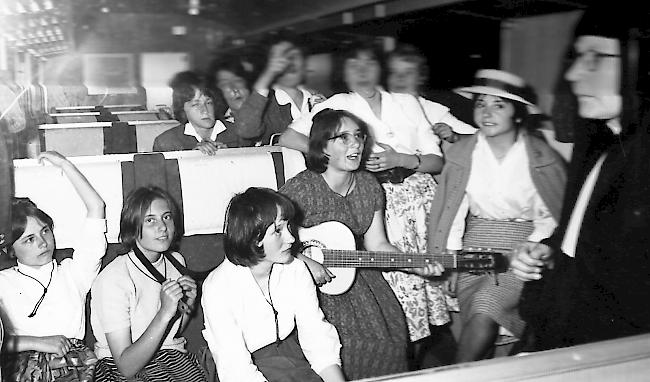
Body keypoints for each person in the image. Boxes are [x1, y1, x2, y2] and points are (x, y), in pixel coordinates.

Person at [280, 41, 452, 363]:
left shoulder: (369, 186)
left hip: (358, 274)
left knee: (393, 338)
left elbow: (378, 246)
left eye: (358, 136)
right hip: (309, 284)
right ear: (323, 146)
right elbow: (268, 242)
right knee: (353, 348)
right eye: (342, 138)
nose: (355, 145)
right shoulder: (300, 189)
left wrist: (417, 264)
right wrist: (306, 262)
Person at [510, 6, 650, 350]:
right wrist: (548, 252)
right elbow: (593, 244)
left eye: (596, 58)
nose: (573, 74)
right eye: (576, 56)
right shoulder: (602, 145)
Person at [427, 69, 567, 362]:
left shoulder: (541, 157)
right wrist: (451, 262)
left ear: (518, 114)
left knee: (484, 307)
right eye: (481, 103)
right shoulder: (463, 154)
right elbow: (453, 212)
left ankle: (455, 375)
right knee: (479, 324)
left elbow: (550, 219)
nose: (486, 112)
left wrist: (535, 250)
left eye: (498, 105)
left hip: (522, 249)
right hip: (473, 245)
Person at [202, 187, 344, 382]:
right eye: (278, 231)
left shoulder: (296, 269)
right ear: (253, 237)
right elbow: (236, 369)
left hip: (289, 357)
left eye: (288, 227)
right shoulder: (217, 288)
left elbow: (316, 336)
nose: (292, 238)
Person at [0, 151, 107, 381]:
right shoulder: (3, 282)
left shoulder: (72, 272)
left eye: (45, 231)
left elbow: (97, 207)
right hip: (19, 369)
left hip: (75, 366)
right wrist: (37, 342)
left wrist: (65, 164)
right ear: (10, 249)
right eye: (29, 239)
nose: (42, 242)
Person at [90, 186, 206, 381]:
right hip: (119, 367)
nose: (162, 227)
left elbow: (171, 333)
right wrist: (164, 313)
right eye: (150, 220)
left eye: (167, 217)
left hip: (171, 358)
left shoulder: (176, 261)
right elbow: (126, 366)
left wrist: (188, 305)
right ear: (133, 227)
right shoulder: (113, 279)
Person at [236, 40, 326, 145]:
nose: (288, 62)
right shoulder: (265, 106)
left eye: (293, 55)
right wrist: (265, 80)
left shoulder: (320, 100)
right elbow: (246, 130)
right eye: (279, 58)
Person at [386, 43, 476, 144]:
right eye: (393, 72)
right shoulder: (379, 106)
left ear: (420, 77)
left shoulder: (434, 111)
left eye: (408, 72)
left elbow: (478, 139)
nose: (400, 78)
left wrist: (454, 136)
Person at [152, 70, 240, 154]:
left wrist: (230, 155)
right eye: (196, 104)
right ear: (183, 109)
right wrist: (192, 158)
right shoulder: (166, 142)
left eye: (208, 103)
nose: (205, 110)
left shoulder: (240, 134)